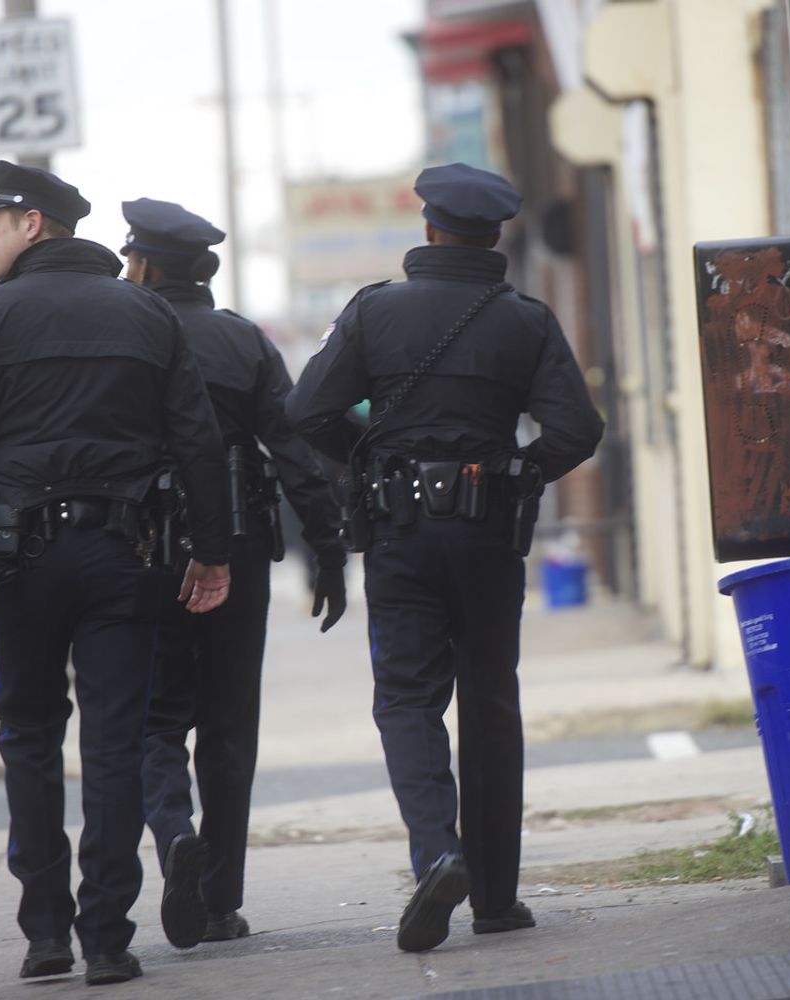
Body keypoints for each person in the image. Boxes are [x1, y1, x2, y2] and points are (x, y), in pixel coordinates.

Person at [0, 161, 233, 987]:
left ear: (32, 223)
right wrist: (211, 547)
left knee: (27, 734)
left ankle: (45, 935)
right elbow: (197, 439)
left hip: (19, 558)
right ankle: (107, 940)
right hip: (127, 556)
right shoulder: (145, 312)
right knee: (115, 739)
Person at [286, 162, 604, 953]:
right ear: (495, 237)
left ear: (427, 229)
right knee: (490, 703)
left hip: (398, 534)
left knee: (406, 699)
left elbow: (306, 409)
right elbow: (578, 430)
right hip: (490, 536)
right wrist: (518, 475)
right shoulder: (525, 320)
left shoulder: (373, 312)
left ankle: (436, 853)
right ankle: (496, 900)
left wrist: (368, 461)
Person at [118, 197, 348, 949]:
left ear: (146, 265)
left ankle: (175, 831)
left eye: (129, 259)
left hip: (144, 552)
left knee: (154, 719)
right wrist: (328, 554)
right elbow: (296, 452)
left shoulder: (124, 334)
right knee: (227, 729)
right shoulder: (244, 341)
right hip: (241, 551)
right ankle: (219, 903)